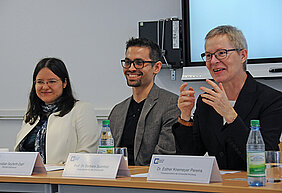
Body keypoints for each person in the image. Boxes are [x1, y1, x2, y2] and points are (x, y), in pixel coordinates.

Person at [173, 25, 282, 170]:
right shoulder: (206, 101)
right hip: (217, 186)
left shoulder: (271, 100)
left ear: (242, 55)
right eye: (208, 55)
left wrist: (230, 115)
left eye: (221, 53)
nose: (213, 61)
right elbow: (191, 158)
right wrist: (185, 116)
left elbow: (265, 159)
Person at [109, 37, 180, 166]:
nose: (131, 68)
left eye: (139, 63)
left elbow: (164, 156)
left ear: (157, 67)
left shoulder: (171, 104)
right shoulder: (117, 111)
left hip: (151, 182)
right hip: (118, 181)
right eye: (127, 62)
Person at [14, 57, 100, 164]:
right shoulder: (32, 115)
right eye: (40, 82)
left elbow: (86, 155)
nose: (45, 87)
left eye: (52, 81)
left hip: (62, 179)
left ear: (64, 83)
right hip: (27, 178)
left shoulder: (81, 109)